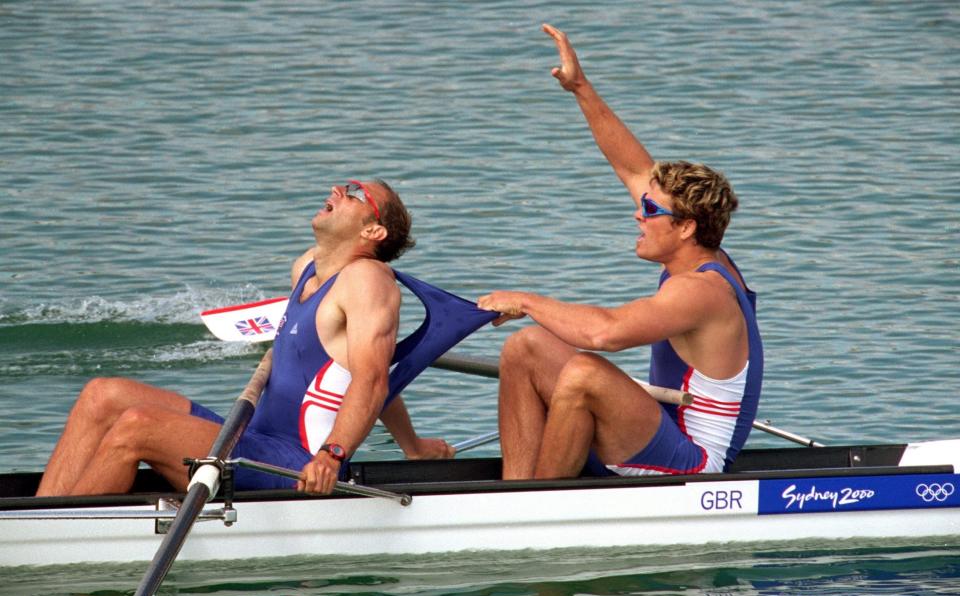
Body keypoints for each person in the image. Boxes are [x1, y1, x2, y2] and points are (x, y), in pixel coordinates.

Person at [37, 179, 491, 497]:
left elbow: (371, 381)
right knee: (103, 394)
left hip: (294, 465)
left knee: (138, 424)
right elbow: (359, 370)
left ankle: (63, 542)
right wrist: (412, 446)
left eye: (355, 193)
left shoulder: (369, 281)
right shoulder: (307, 270)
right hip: (252, 438)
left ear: (373, 232)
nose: (338, 190)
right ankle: (36, 522)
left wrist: (332, 456)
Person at [477, 24, 763, 480]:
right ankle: (517, 489)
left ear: (686, 227)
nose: (637, 215)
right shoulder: (695, 245)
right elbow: (633, 167)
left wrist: (526, 301)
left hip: (694, 465)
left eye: (650, 210)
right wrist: (580, 88)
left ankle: (536, 509)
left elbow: (607, 334)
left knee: (585, 373)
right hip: (660, 430)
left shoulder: (701, 291)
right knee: (524, 347)